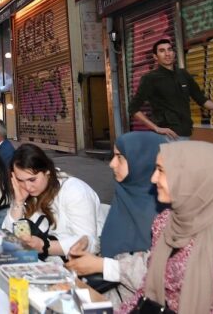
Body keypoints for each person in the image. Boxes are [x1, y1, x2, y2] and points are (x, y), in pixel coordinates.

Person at [119, 141, 213, 313]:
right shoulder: (166, 222)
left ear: (193, 178)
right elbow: (146, 293)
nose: (153, 179)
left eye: (161, 170)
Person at [65, 131, 162, 308]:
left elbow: (165, 272)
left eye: (119, 157)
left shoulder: (166, 210)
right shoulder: (125, 195)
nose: (111, 164)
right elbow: (121, 242)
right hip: (109, 296)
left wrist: (103, 265)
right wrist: (90, 246)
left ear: (142, 160)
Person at [3, 144, 103, 260]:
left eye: (32, 179)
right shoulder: (26, 194)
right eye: (20, 180)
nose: (27, 186)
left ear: (47, 172)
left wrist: (44, 246)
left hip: (74, 267)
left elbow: (90, 243)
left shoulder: (74, 191)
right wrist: (18, 202)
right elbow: (8, 236)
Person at [129, 39, 213, 140]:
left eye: (169, 50)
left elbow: (201, 100)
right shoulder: (150, 78)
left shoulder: (183, 74)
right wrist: (156, 128)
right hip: (166, 137)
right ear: (155, 56)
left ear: (174, 53)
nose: (167, 54)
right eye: (162, 51)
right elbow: (133, 108)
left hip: (186, 134)